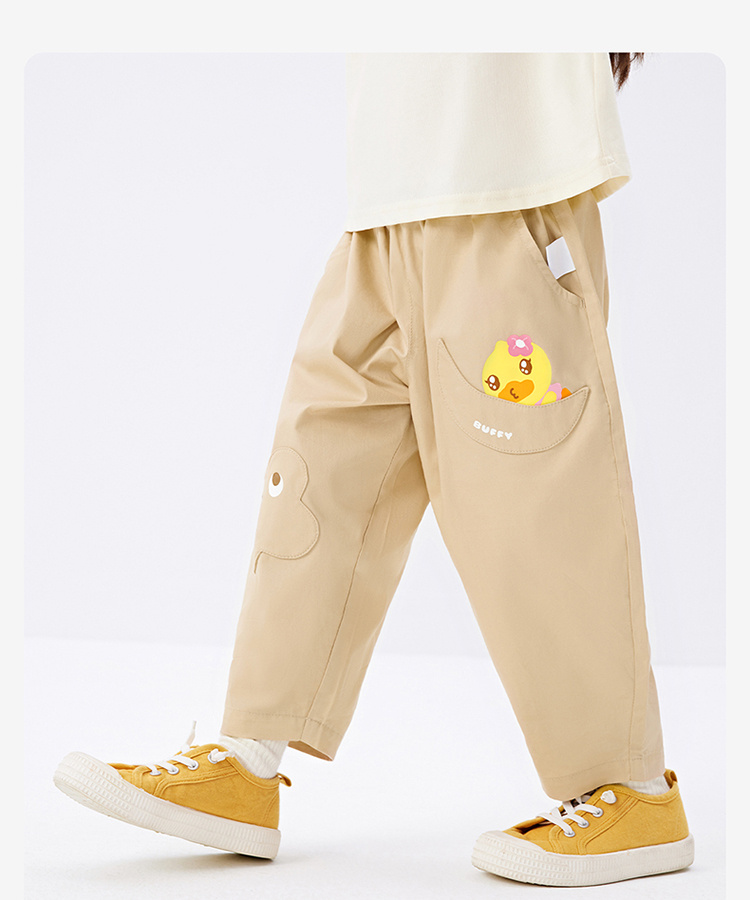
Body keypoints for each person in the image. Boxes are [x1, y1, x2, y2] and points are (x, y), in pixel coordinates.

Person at [53, 52, 694, 888]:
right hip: (383, 208)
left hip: (506, 193)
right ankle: (247, 759)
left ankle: (633, 789)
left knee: (532, 505)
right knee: (316, 483)